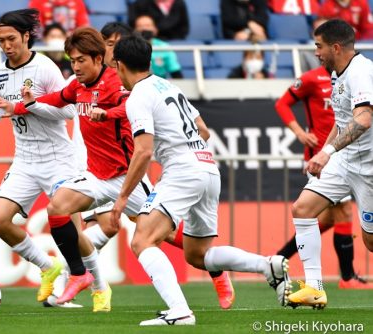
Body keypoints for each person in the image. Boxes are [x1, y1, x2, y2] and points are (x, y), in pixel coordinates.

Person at [111, 35, 291, 326]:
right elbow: (203, 130)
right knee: (198, 254)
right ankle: (266, 265)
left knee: (143, 239)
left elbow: (143, 151)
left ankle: (180, 312)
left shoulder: (138, 97)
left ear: (119, 65)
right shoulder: (169, 86)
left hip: (183, 170)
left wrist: (122, 199)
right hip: (207, 166)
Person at [0, 27, 145, 310]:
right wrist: (22, 106)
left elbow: (130, 107)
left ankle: (213, 267)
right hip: (96, 174)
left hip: (127, 176)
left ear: (98, 58)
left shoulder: (116, 82)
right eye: (72, 60)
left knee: (161, 233)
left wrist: (107, 113)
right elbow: (59, 98)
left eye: (80, 60)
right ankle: (79, 274)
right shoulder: (77, 85)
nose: (75, 67)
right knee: (57, 208)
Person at [0, 8, 81, 308]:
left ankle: (84, 287)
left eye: (11, 38)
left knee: (68, 223)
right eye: (0, 40)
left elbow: (68, 110)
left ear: (26, 36)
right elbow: (0, 108)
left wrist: (28, 106)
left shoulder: (45, 68)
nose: (7, 45)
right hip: (24, 160)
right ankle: (48, 267)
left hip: (58, 159)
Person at [287, 19, 373, 309]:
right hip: (343, 161)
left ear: (336, 47)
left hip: (369, 167)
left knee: (370, 241)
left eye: (319, 46)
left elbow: (363, 118)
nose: (316, 52)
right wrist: (325, 154)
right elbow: (341, 122)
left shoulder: (362, 72)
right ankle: (314, 288)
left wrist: (327, 152)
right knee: (302, 208)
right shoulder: (338, 74)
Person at [275, 65, 373, 289]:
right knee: (337, 212)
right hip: (326, 157)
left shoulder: (352, 76)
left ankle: (279, 258)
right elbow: (281, 104)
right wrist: (300, 133)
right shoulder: (311, 78)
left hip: (342, 154)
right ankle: (345, 278)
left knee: (329, 218)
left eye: (320, 45)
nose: (318, 52)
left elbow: (348, 121)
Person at [134, 15, 183, 79]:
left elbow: (175, 71)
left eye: (147, 25)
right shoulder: (130, 47)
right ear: (135, 30)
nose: (144, 29)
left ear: (155, 29)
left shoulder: (164, 47)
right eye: (140, 26)